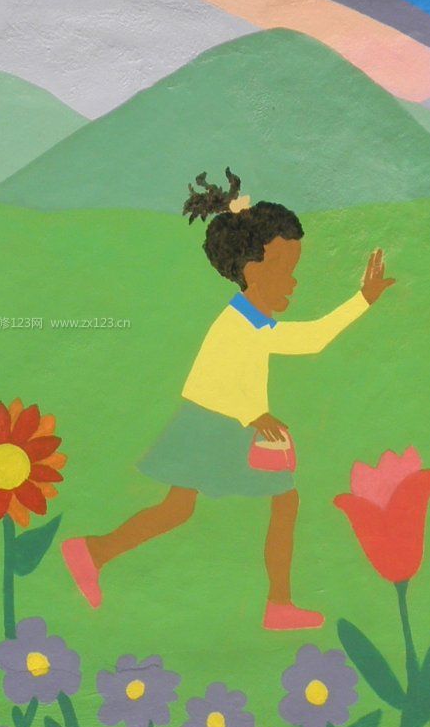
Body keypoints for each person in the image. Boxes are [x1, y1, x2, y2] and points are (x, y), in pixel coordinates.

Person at [61, 169, 389, 631]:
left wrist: (362, 301)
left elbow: (309, 340)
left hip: (217, 425)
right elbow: (210, 379)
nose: (293, 283)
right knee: (274, 501)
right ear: (253, 270)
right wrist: (253, 414)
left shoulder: (253, 321)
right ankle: (276, 605)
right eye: (286, 271)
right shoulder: (238, 324)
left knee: (185, 507)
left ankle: (93, 552)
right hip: (213, 426)